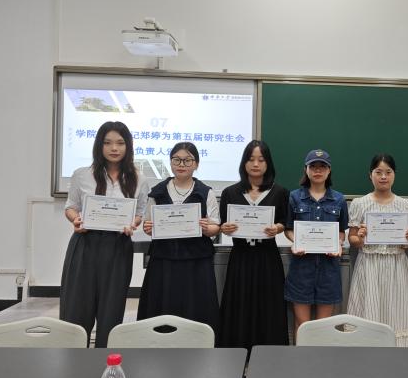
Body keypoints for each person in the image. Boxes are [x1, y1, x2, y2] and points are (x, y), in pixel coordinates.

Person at [60, 121, 149, 348]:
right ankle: (73, 359)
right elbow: (70, 207)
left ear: (128, 146)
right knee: (76, 309)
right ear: (99, 145)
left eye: (120, 143)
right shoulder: (82, 175)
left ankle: (105, 361)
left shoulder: (139, 178)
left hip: (118, 247)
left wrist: (132, 224)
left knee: (111, 310)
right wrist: (76, 220)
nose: (114, 148)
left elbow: (139, 213)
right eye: (107, 143)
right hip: (85, 244)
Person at [137, 142, 221, 333]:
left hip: (196, 261)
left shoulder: (206, 192)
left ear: (196, 164)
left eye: (187, 160)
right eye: (176, 160)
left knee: (196, 306)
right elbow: (148, 225)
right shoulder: (157, 191)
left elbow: (215, 226)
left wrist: (208, 228)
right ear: (170, 162)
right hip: (164, 260)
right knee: (162, 305)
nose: (181, 164)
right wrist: (148, 228)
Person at [218, 140, 289, 348]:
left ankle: (268, 353)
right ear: (244, 163)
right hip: (240, 257)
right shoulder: (230, 192)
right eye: (251, 159)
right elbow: (223, 223)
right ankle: (237, 352)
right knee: (239, 303)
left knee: (268, 304)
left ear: (268, 163)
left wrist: (278, 228)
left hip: (267, 257)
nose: (256, 164)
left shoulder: (280, 192)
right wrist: (224, 228)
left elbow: (285, 221)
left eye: (261, 159)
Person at [347, 154, 408, 346]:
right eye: (378, 172)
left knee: (396, 311)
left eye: (388, 172)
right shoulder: (360, 203)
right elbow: (352, 239)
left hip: (396, 266)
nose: (383, 177)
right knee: (368, 310)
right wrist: (360, 238)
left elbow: (407, 244)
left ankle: (398, 354)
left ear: (394, 175)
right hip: (369, 264)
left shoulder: (404, 204)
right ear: (370, 175)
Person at [284, 149, 349, 341]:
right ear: (306, 169)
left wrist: (338, 243)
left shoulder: (339, 199)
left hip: (328, 269)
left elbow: (341, 231)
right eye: (313, 166)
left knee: (323, 327)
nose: (318, 170)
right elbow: (288, 228)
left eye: (322, 167)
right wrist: (295, 241)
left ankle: (319, 360)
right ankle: (301, 359)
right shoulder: (294, 197)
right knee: (302, 325)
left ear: (329, 171)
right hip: (301, 267)